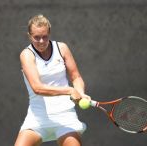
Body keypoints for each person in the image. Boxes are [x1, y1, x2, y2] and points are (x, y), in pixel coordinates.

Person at [14, 14, 90, 146]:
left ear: (49, 33)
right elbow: (37, 88)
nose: (41, 41)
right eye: (36, 37)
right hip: (37, 117)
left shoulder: (62, 48)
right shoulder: (26, 54)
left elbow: (76, 76)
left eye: (45, 36)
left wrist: (80, 92)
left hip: (65, 116)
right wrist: (69, 90)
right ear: (29, 36)